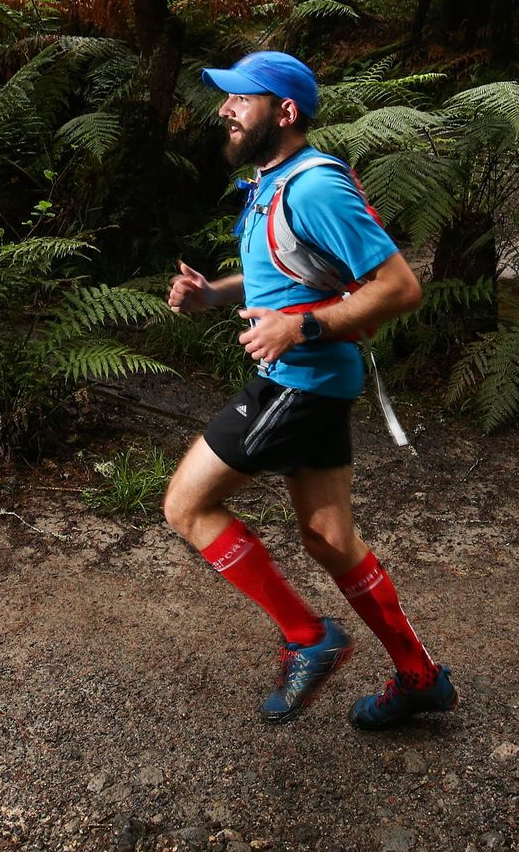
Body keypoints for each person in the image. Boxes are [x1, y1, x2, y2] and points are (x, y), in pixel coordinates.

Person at [162, 50, 456, 730]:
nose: (225, 110)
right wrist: (214, 294)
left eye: (241, 98)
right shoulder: (273, 181)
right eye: (225, 98)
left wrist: (304, 328)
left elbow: (400, 289)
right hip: (315, 383)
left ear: (285, 112)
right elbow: (284, 276)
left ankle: (307, 636)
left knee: (186, 506)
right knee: (328, 537)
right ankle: (420, 678)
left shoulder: (315, 186)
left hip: (296, 383)